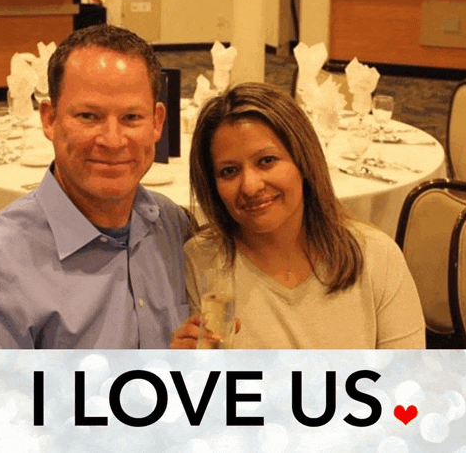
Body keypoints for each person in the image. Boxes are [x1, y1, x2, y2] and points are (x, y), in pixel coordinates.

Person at [0, 24, 191, 348]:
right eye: (89, 116)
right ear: (49, 118)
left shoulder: (176, 228)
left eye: (132, 118)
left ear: (157, 122)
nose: (113, 141)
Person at [171, 82, 425, 349]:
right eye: (229, 171)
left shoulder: (375, 256)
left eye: (266, 161)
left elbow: (406, 383)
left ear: (303, 160)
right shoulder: (202, 262)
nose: (250, 185)